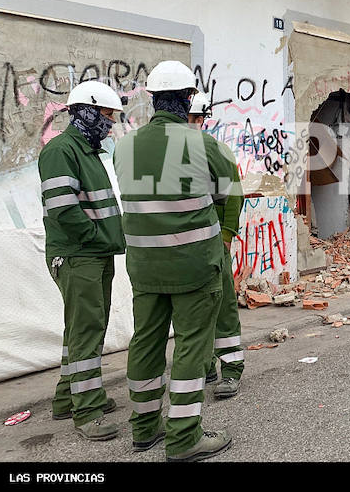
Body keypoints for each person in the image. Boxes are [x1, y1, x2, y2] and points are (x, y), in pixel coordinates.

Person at [114, 61, 239, 461]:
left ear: (151, 100)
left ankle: (145, 429)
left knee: (146, 341)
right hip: (194, 266)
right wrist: (220, 236)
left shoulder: (124, 145)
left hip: (145, 267)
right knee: (190, 344)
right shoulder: (204, 144)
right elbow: (229, 191)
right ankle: (184, 437)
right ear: (188, 100)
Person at [40, 82, 126, 440]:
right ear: (86, 111)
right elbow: (61, 208)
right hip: (80, 255)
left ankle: (66, 398)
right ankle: (87, 410)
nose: (110, 124)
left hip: (92, 253)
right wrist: (94, 238)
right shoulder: (61, 150)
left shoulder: (86, 151)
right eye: (107, 115)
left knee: (80, 328)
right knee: (87, 329)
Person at [188, 93, 245, 399]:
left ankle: (231, 369)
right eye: (191, 118)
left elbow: (233, 194)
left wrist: (226, 234)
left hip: (212, 243)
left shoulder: (213, 149)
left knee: (223, 307)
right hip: (186, 246)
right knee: (195, 308)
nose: (194, 124)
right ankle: (206, 364)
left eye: (197, 120)